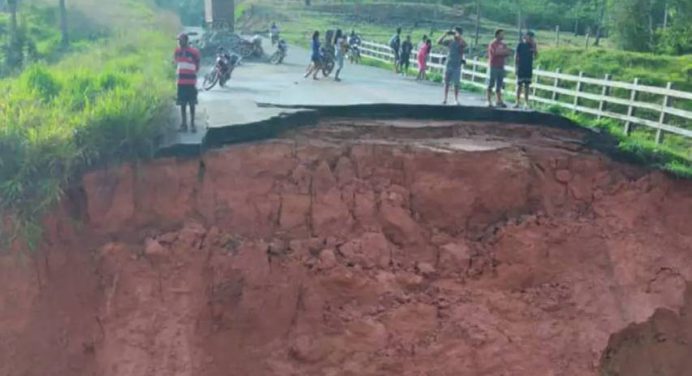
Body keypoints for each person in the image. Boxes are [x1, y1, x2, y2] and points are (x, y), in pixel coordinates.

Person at [174, 33, 201, 133]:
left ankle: (193, 124)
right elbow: (176, 63)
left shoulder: (194, 52)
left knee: (192, 104)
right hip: (181, 82)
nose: (179, 42)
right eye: (178, 40)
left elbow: (198, 66)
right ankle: (184, 124)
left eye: (181, 40)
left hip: (190, 82)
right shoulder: (177, 51)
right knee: (182, 104)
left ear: (186, 40)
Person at [438, 27, 467, 105]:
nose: (455, 34)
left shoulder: (461, 42)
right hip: (449, 63)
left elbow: (465, 44)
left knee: (456, 83)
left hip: (457, 65)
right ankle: (445, 98)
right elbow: (439, 42)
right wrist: (445, 34)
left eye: (456, 32)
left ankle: (456, 99)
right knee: (446, 82)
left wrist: (459, 36)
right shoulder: (450, 41)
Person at [487, 29, 511, 108]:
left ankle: (498, 101)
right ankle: (489, 100)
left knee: (499, 85)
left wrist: (502, 52)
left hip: (501, 66)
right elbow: (495, 53)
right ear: (497, 35)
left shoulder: (503, 44)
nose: (503, 36)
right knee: (491, 84)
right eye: (501, 34)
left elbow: (508, 52)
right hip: (493, 65)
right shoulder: (493, 43)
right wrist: (503, 52)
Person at [514, 31, 538, 109]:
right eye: (529, 36)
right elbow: (516, 57)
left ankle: (526, 102)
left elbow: (536, 56)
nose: (530, 38)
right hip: (521, 67)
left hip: (528, 67)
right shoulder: (520, 45)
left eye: (532, 37)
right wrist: (516, 67)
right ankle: (517, 101)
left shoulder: (532, 45)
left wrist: (534, 48)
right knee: (519, 85)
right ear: (525, 36)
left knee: (527, 85)